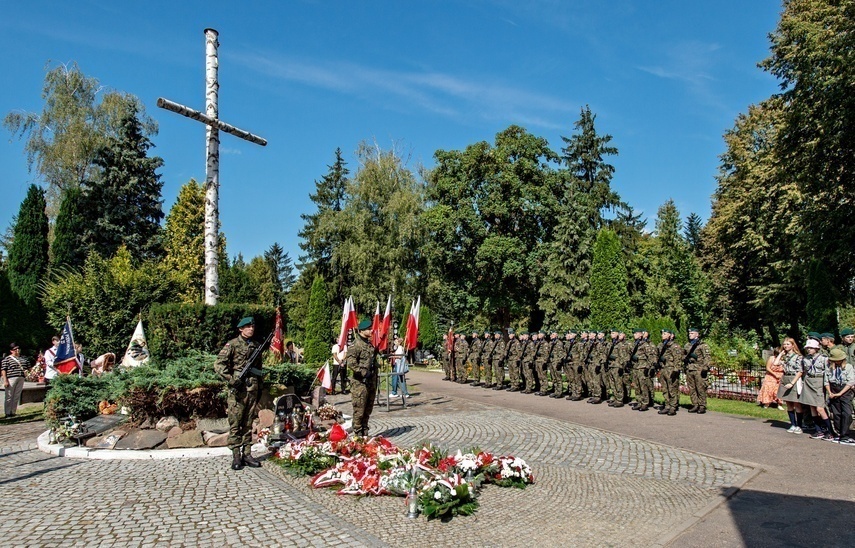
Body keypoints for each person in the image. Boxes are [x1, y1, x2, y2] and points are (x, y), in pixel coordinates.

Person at [215, 316, 264, 471]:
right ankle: (236, 455)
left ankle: (247, 454)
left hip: (252, 389)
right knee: (236, 423)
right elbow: (219, 364)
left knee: (248, 423)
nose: (251, 329)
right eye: (248, 327)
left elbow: (259, 369)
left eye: (252, 326)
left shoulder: (256, 346)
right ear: (241, 329)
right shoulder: (233, 344)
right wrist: (231, 379)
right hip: (238, 389)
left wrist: (260, 387)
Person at [347, 319, 379, 436]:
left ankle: (365, 432)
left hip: (370, 382)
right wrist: (363, 373)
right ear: (361, 331)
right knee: (359, 411)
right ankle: (358, 434)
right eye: (369, 329)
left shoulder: (369, 344)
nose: (371, 331)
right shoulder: (356, 345)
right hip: (360, 383)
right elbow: (351, 363)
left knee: (368, 410)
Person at [799, 339, 833, 440]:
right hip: (809, 381)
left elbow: (827, 372)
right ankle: (818, 430)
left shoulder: (823, 359)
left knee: (820, 408)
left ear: (817, 348)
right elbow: (804, 371)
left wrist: (826, 385)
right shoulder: (805, 359)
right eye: (808, 348)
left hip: (819, 381)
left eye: (811, 348)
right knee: (812, 407)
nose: (809, 350)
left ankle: (830, 430)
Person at [825, 347, 854, 445]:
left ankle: (845, 435)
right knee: (836, 413)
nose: (837, 362)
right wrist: (830, 392)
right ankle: (839, 433)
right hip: (833, 389)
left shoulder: (848, 367)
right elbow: (826, 381)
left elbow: (851, 382)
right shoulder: (829, 367)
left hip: (845, 390)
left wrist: (840, 393)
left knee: (847, 413)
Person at [776, 337, 805, 433]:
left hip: (794, 378)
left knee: (796, 403)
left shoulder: (798, 357)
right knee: (788, 403)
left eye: (788, 344)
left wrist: (792, 383)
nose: (785, 346)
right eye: (784, 344)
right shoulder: (785, 356)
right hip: (786, 377)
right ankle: (792, 424)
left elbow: (800, 371)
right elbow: (775, 363)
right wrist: (780, 354)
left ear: (793, 345)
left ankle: (799, 425)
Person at [684, 328, 712, 414]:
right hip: (690, 368)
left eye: (692, 333)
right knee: (692, 388)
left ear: (697, 335)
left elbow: (707, 357)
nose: (690, 334)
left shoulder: (703, 345)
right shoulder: (687, 345)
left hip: (699, 369)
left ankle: (702, 405)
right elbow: (683, 355)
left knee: (700, 388)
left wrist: (705, 368)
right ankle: (695, 404)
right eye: (689, 333)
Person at [657, 329, 684, 416]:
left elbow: (677, 358)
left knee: (672, 389)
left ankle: (673, 407)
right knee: (665, 389)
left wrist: (676, 370)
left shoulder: (674, 346)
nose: (662, 335)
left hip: (671, 369)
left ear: (670, 335)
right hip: (663, 369)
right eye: (662, 334)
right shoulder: (661, 345)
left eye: (664, 334)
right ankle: (667, 405)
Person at [2, 343, 28, 417]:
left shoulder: (23, 359)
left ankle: (13, 411)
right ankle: (7, 412)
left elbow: (27, 367)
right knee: (9, 395)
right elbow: (3, 370)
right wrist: (5, 380)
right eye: (15, 349)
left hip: (21, 377)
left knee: (16, 395)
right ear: (11, 351)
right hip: (11, 378)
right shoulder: (7, 359)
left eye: (18, 349)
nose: (17, 350)